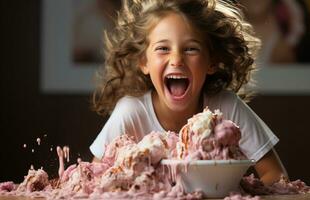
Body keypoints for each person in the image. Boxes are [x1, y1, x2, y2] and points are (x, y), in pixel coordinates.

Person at [89, 0, 286, 185]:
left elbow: (276, 176)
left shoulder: (227, 109)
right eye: (163, 48)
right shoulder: (130, 113)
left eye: (191, 49)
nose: (176, 59)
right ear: (144, 62)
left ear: (212, 61)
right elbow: (91, 182)